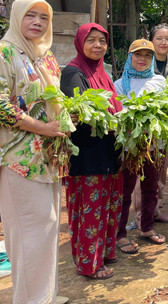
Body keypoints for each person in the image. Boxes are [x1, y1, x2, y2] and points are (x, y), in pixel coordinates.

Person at [0, 0, 67, 303]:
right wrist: (43, 128)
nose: (38, 22)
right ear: (16, 18)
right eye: (31, 16)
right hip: (18, 159)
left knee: (48, 229)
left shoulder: (46, 57)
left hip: (49, 158)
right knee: (29, 234)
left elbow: (55, 102)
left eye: (44, 17)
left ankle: (45, 298)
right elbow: (1, 105)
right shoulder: (5, 52)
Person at [61, 23, 123, 279]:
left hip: (108, 152)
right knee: (90, 208)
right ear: (80, 42)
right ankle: (89, 263)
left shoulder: (104, 73)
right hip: (87, 154)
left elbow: (114, 106)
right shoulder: (73, 72)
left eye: (102, 41)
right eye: (92, 40)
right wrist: (116, 122)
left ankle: (104, 253)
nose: (98, 45)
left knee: (108, 205)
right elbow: (81, 115)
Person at [114, 39, 167, 249]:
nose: (142, 59)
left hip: (154, 145)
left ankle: (146, 227)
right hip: (129, 147)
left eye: (147, 55)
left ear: (152, 59)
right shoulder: (119, 85)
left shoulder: (159, 81)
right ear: (130, 57)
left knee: (150, 188)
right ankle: (119, 234)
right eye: (137, 55)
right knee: (125, 191)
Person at [131, 24, 168, 225]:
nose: (163, 42)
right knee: (142, 173)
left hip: (167, 127)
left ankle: (155, 210)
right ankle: (141, 215)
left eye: (167, 39)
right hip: (144, 128)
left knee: (161, 171)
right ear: (152, 40)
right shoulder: (142, 63)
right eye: (159, 38)